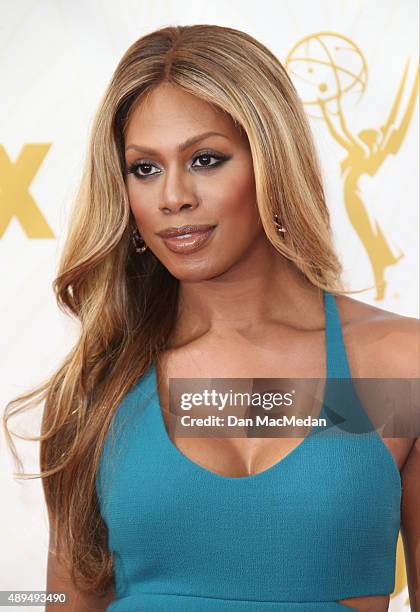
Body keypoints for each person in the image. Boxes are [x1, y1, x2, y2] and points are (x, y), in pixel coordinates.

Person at [3, 24, 419, 612]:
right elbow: (67, 603)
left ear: (273, 162)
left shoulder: (398, 365)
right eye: (144, 169)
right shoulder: (98, 388)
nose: (173, 196)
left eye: (205, 159)